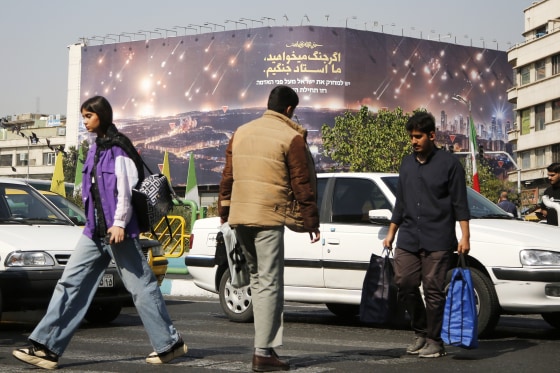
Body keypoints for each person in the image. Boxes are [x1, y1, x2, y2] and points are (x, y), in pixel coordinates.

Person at [13, 96, 187, 369]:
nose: (84, 121)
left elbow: (126, 193)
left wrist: (119, 223)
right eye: (83, 116)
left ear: (102, 116)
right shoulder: (94, 149)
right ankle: (46, 346)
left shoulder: (119, 149)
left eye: (88, 116)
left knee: (141, 288)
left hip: (118, 232)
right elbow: (92, 191)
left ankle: (169, 344)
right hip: (94, 232)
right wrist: (88, 220)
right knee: (69, 285)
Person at [218, 85, 320, 372]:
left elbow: (227, 177)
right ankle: (263, 353)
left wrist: (224, 213)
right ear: (289, 110)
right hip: (269, 218)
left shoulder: (240, 132)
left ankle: (265, 349)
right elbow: (302, 182)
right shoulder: (291, 136)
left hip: (240, 217)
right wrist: (311, 221)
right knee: (270, 283)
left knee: (257, 279)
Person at [382, 111, 471, 358]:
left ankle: (435, 340)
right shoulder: (406, 163)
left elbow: (460, 203)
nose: (414, 141)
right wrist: (391, 233)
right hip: (409, 236)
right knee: (405, 283)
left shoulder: (450, 164)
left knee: (433, 290)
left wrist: (465, 237)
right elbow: (400, 203)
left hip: (439, 237)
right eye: (411, 137)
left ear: (432, 135)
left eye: (418, 136)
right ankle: (420, 331)